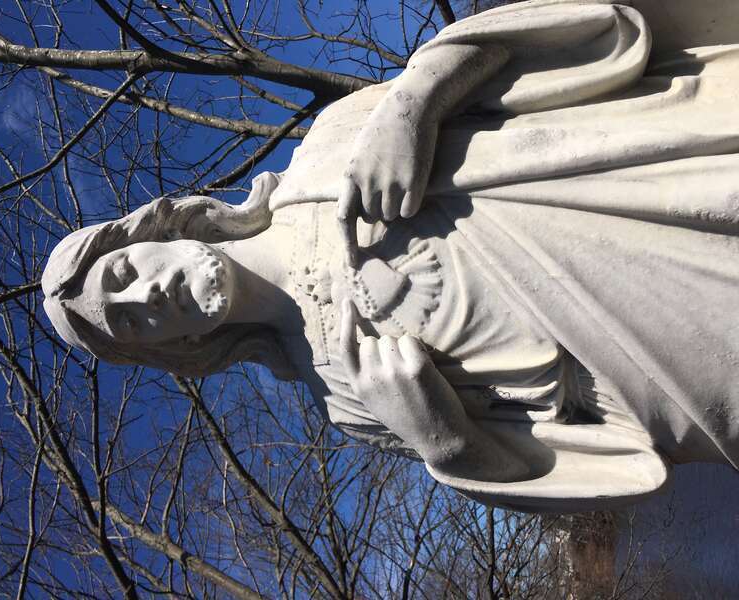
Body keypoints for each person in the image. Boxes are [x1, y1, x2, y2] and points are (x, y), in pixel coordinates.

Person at [43, 0, 739, 511]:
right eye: (131, 324)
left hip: (641, 196)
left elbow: (520, 48)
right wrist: (442, 440)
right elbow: (548, 465)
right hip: (657, 365)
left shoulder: (322, 155)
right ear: (180, 346)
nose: (146, 300)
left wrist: (414, 105)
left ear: (158, 234)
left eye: (125, 276)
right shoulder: (344, 402)